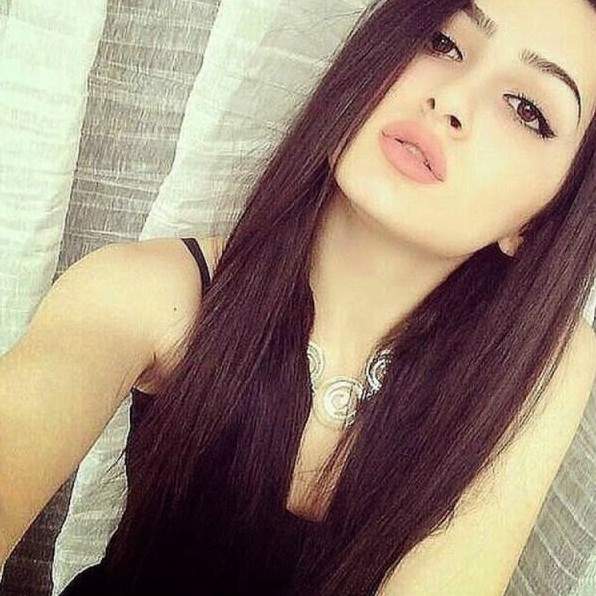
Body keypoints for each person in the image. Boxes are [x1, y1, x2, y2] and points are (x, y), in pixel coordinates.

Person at [1, 0, 595, 594]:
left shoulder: (539, 369)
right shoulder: (148, 292)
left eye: (527, 110)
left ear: (540, 222)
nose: (453, 100)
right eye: (443, 43)